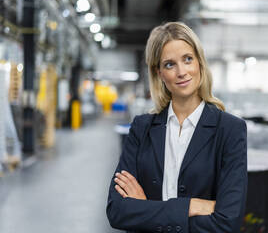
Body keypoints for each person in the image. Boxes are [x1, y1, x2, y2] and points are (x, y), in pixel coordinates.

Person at [106, 22, 247, 233]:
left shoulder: (229, 130)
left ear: (199, 62)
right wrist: (192, 206)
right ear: (160, 73)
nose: (182, 72)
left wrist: (146, 209)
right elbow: (117, 211)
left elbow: (228, 222)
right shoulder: (141, 128)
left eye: (188, 59)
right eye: (170, 64)